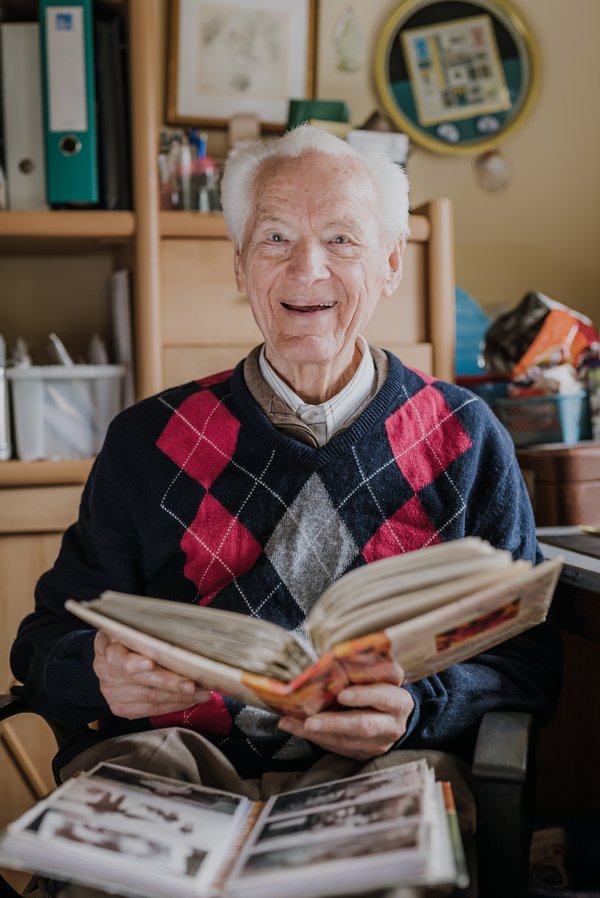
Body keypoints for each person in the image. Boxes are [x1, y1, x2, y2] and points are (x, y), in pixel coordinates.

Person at [11, 125, 562, 896]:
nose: (308, 269)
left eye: (341, 238)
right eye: (275, 238)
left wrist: (414, 707)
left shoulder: (464, 437)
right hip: (171, 770)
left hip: (381, 770)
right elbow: (41, 642)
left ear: (390, 263)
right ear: (241, 266)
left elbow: (525, 660)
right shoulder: (147, 441)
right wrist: (98, 674)